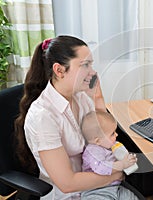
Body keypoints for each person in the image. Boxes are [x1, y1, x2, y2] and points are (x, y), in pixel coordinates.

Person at [14, 35, 123, 199]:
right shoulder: (43, 116)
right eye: (85, 65)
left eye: (91, 64)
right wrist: (115, 175)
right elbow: (67, 184)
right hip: (69, 195)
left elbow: (102, 135)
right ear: (59, 70)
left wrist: (97, 97)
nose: (92, 72)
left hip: (96, 183)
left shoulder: (81, 97)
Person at [80, 110, 139, 199]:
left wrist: (129, 159)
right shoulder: (92, 151)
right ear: (98, 141)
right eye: (112, 134)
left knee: (132, 197)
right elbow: (102, 168)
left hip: (116, 187)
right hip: (96, 190)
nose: (116, 134)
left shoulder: (109, 145)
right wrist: (123, 164)